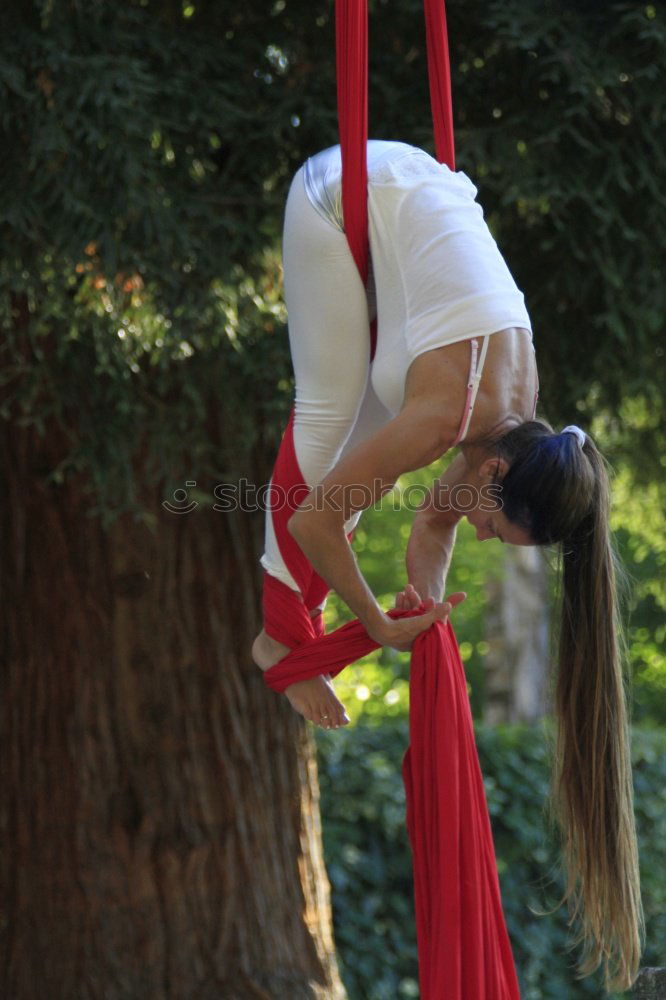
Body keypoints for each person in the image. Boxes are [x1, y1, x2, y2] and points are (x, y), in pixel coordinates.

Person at [252, 138, 643, 995]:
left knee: (356, 446)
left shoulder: (517, 426)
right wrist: (375, 621)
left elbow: (432, 530)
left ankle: (295, 636)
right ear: (494, 476)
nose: (489, 537)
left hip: (416, 183)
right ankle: (280, 638)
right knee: (329, 436)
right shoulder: (450, 418)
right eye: (503, 531)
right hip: (340, 189)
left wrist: (422, 626)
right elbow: (321, 525)